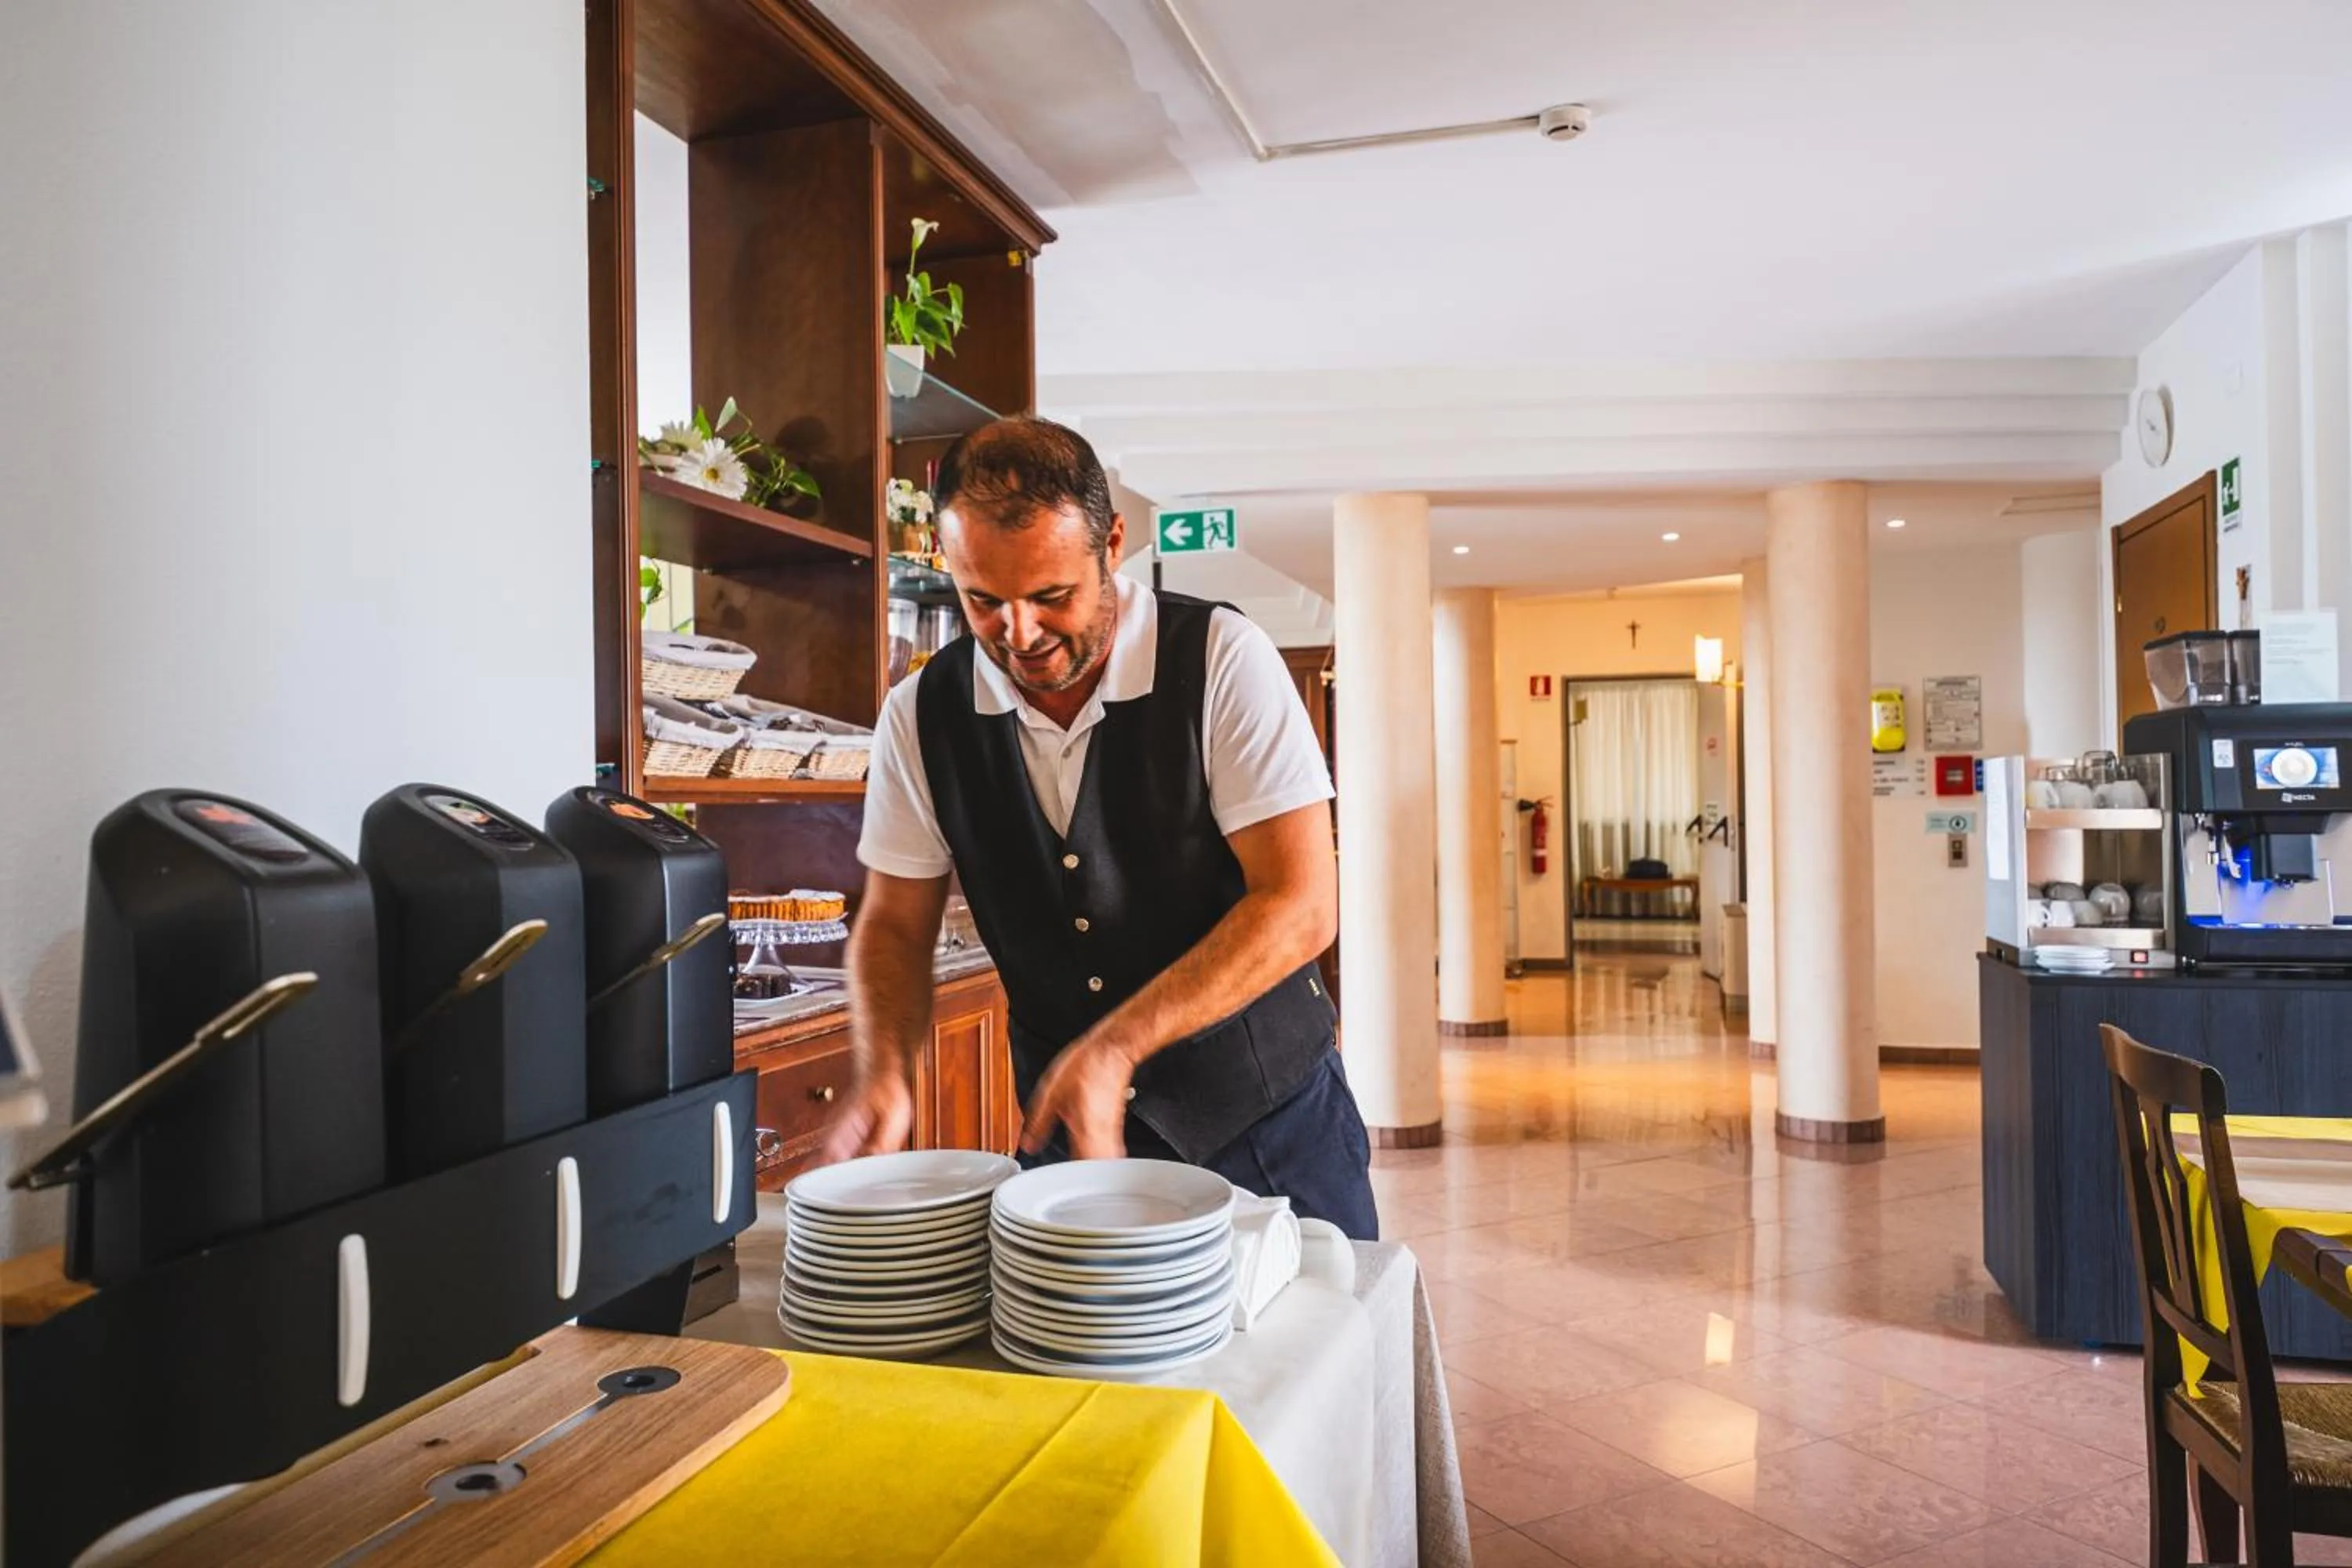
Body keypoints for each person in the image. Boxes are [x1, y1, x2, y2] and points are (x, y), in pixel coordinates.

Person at [816, 416, 1377, 1238]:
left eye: (1051, 595)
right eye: (983, 599)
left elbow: (1301, 902)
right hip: (1067, 1144)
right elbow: (897, 923)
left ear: (1112, 542)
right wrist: (888, 1069)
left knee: (1322, 1350)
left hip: (1267, 1123)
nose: (1019, 633)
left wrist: (1118, 1044)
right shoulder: (920, 715)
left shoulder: (1221, 659)